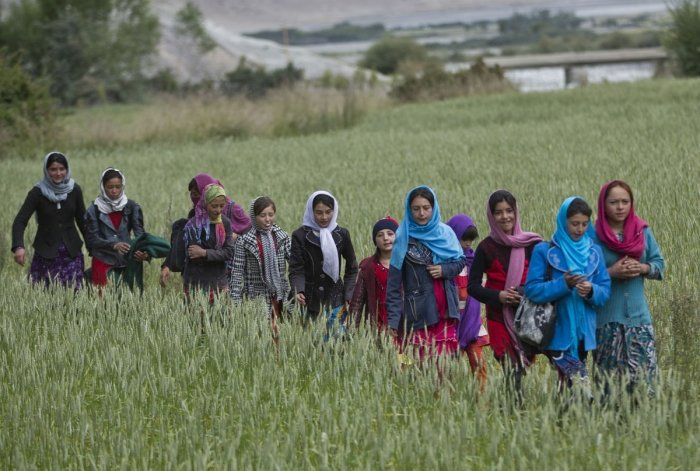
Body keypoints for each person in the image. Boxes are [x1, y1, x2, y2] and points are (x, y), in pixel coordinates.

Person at [524, 197, 610, 395]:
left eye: (584, 224)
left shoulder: (594, 252)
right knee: (580, 386)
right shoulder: (544, 251)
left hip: (584, 332)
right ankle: (576, 414)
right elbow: (532, 289)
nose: (580, 229)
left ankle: (566, 421)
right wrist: (563, 284)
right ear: (563, 222)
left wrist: (591, 291)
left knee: (571, 388)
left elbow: (604, 290)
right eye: (574, 224)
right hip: (556, 330)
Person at [592, 180, 664, 395]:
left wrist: (642, 267)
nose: (620, 207)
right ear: (603, 205)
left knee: (645, 387)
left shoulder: (642, 231)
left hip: (639, 321)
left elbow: (659, 265)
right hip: (606, 324)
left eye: (625, 201)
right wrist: (611, 273)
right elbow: (584, 278)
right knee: (610, 389)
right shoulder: (592, 236)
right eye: (614, 202)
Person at [468, 190, 542, 398]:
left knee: (527, 365)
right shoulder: (486, 248)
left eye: (509, 211)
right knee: (511, 368)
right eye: (498, 212)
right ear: (491, 216)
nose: (505, 217)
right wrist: (499, 296)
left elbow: (546, 278)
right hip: (500, 318)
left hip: (529, 316)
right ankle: (513, 411)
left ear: (516, 212)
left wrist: (525, 293)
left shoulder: (533, 244)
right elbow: (473, 286)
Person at [386, 186, 465, 359]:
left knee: (446, 365)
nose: (422, 213)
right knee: (420, 365)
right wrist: (392, 321)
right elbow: (393, 285)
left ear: (434, 208)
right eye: (416, 209)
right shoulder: (403, 238)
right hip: (419, 313)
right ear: (409, 209)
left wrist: (444, 270)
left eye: (426, 208)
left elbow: (460, 262)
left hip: (445, 309)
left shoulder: (446, 233)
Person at [11, 152, 87, 288]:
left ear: (67, 169)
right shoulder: (37, 193)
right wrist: (18, 247)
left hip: (72, 253)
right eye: (53, 169)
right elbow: (20, 221)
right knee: (44, 297)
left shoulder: (75, 190)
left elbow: (83, 222)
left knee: (74, 297)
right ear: (46, 170)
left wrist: (94, 248)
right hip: (45, 254)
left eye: (61, 169)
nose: (58, 173)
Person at [160, 173, 251, 287]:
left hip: (230, 272)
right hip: (200, 277)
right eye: (192, 195)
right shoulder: (194, 218)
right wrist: (167, 265)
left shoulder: (232, 211)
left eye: (197, 194)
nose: (195, 199)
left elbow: (252, 236)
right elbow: (184, 246)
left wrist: (237, 237)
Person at [289, 191, 358, 339]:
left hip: (336, 297)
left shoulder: (341, 234)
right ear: (311, 211)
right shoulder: (300, 236)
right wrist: (298, 290)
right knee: (311, 343)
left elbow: (352, 268)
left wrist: (349, 293)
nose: (324, 217)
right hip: (309, 299)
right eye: (319, 213)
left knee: (339, 342)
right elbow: (296, 269)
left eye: (328, 212)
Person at [229, 196, 291, 319]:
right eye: (263, 216)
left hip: (279, 295)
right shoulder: (244, 241)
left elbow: (296, 261)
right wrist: (235, 303)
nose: (268, 219)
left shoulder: (281, 237)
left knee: (279, 332)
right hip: (255, 298)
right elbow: (236, 273)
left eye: (271, 214)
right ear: (254, 217)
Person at [447, 213, 490, 389]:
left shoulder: (473, 260)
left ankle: (483, 399)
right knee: (447, 366)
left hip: (471, 320)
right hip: (451, 321)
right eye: (463, 239)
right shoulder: (445, 262)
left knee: (479, 364)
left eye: (471, 240)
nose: (467, 244)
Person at [84, 168, 147, 287]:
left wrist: (144, 252)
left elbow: (141, 235)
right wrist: (113, 245)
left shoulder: (132, 207)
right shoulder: (94, 210)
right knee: (102, 298)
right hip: (102, 260)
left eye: (118, 187)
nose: (114, 191)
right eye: (110, 187)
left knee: (129, 298)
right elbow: (91, 239)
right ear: (103, 187)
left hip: (127, 260)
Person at [182, 184, 236, 302]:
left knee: (220, 318)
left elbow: (229, 252)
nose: (218, 210)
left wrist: (204, 252)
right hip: (196, 282)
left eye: (222, 206)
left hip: (219, 281)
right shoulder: (194, 225)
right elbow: (194, 255)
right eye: (214, 206)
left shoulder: (225, 223)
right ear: (205, 204)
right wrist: (217, 254)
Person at [349, 216, 399, 332]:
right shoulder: (368, 267)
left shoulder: (408, 264)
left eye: (390, 234)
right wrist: (351, 329)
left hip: (403, 325)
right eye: (380, 235)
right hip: (377, 326)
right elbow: (357, 301)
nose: (385, 238)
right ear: (375, 241)